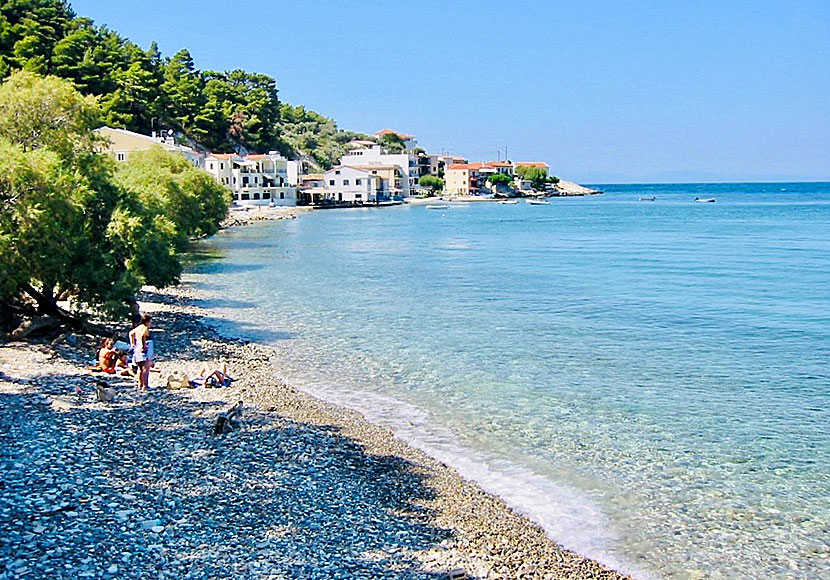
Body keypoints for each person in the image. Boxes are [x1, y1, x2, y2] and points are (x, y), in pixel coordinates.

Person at [128, 314, 153, 389]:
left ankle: (140, 384)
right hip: (145, 347)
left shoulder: (138, 327)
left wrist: (132, 343)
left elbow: (131, 333)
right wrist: (144, 345)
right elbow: (142, 335)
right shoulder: (145, 328)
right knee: (146, 367)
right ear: (147, 322)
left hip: (137, 347)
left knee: (140, 368)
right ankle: (145, 385)